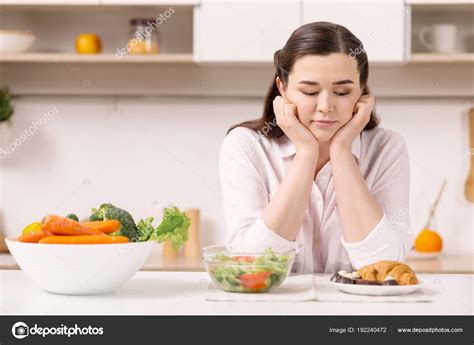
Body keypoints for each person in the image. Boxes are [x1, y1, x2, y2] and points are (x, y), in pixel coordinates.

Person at [219, 22, 413, 273]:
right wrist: (306, 153)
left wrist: (342, 151)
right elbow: (254, 268)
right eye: (310, 91)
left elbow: (384, 266)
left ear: (362, 92)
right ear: (283, 88)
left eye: (342, 92)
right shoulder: (245, 146)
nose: (325, 106)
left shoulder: (387, 148)